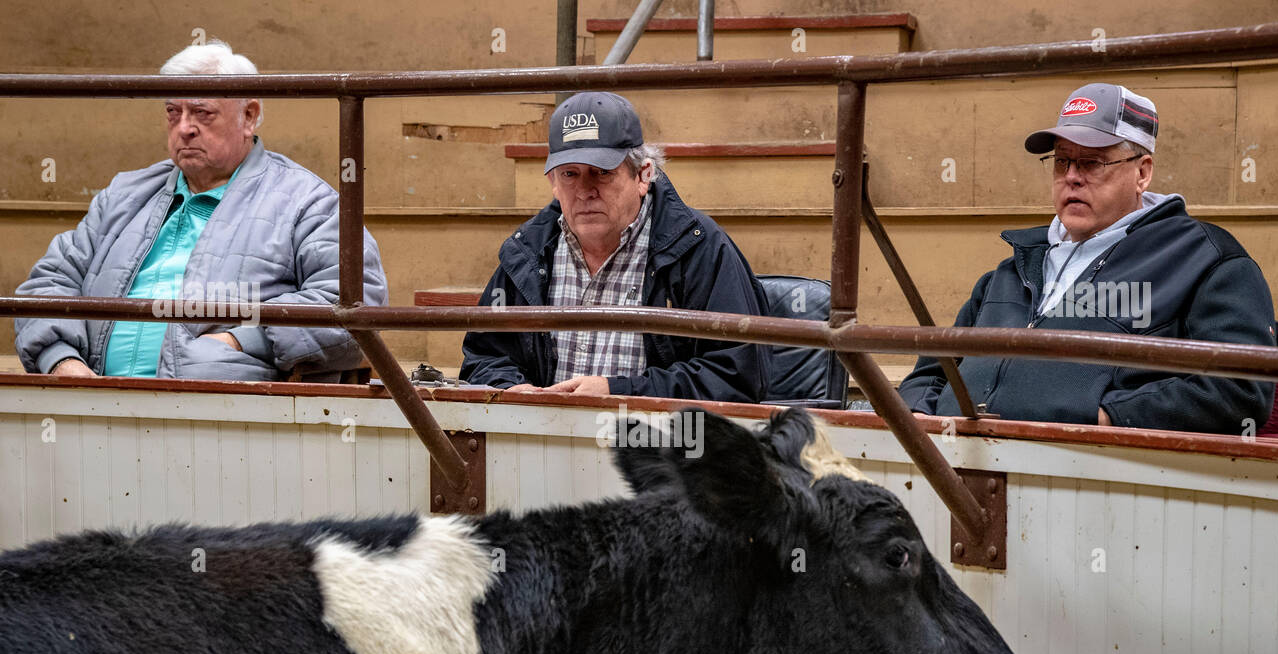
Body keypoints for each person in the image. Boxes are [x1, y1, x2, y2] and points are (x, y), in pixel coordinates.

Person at [897, 83, 1275, 433]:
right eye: (1062, 162)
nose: (1072, 177)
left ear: (1142, 173)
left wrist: (1106, 417)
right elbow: (933, 370)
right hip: (961, 469)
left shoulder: (1206, 260)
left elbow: (1239, 392)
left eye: (1092, 163)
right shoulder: (1010, 271)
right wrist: (919, 413)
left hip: (1094, 482)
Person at [13, 39, 386, 382]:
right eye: (173, 112)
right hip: (95, 405)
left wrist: (241, 342)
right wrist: (63, 363)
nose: (184, 128)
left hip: (222, 419)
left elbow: (356, 303)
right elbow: (48, 283)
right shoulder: (124, 194)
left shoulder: (306, 201)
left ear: (249, 116)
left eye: (202, 112)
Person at [459, 91, 769, 402]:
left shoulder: (699, 248)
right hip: (546, 441)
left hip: (656, 443)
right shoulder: (528, 251)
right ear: (553, 182)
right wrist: (512, 391)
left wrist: (618, 393)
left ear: (643, 176)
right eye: (570, 174)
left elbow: (737, 377)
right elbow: (484, 358)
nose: (584, 191)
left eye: (602, 172)